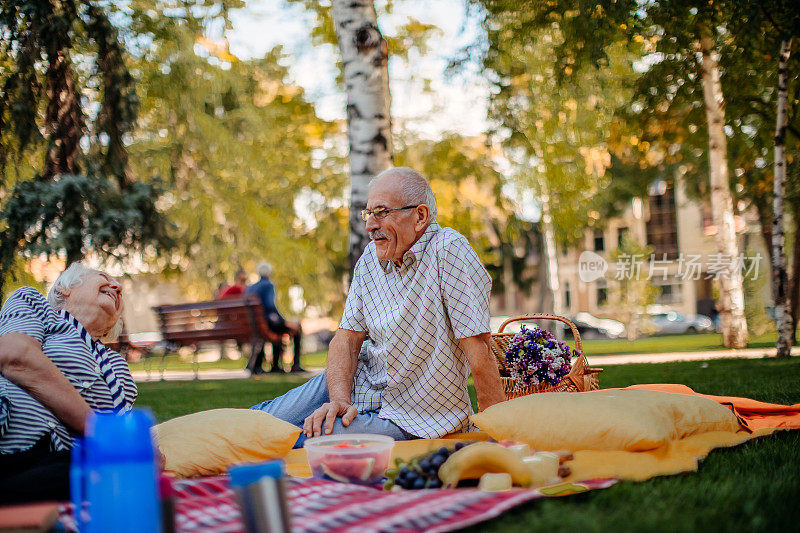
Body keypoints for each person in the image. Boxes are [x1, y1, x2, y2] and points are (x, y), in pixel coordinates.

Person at [251, 167, 504, 447]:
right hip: (356, 384)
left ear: (420, 216)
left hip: (415, 416)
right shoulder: (371, 258)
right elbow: (346, 338)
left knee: (301, 439)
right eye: (368, 213)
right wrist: (339, 401)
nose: (370, 224)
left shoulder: (448, 250)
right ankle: (197, 442)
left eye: (382, 212)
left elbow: (479, 349)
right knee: (262, 420)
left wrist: (500, 437)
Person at [0, 263, 138, 502]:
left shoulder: (118, 368)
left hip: (53, 466)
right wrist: (98, 428)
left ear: (109, 330)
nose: (117, 287)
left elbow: (121, 436)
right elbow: (15, 356)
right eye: (103, 278)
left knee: (123, 475)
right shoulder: (34, 304)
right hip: (6, 429)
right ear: (64, 289)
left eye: (119, 289)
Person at [246, 263, 304, 374]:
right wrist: (285, 322)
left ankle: (276, 365)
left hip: (256, 326)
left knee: (280, 328)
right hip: (267, 323)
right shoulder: (268, 285)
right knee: (297, 327)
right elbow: (270, 308)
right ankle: (295, 365)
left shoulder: (251, 288)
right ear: (270, 273)